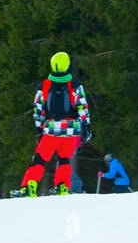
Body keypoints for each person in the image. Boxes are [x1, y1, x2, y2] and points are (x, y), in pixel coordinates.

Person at [17, 51, 90, 197]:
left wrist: (39, 129)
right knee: (64, 159)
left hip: (51, 129)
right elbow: (82, 107)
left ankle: (30, 187)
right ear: (67, 65)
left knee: (40, 158)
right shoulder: (75, 84)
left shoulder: (43, 85)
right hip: (71, 129)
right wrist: (86, 126)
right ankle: (62, 187)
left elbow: (38, 110)